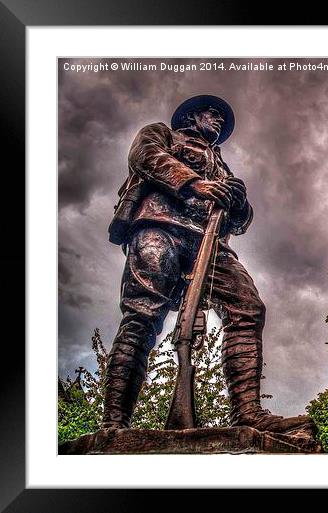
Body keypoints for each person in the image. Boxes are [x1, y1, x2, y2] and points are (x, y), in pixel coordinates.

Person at [102, 94, 311, 433]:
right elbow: (145, 156)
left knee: (247, 307)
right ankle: (114, 421)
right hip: (160, 225)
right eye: (211, 114)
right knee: (142, 314)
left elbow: (239, 221)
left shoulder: (222, 166)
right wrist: (196, 183)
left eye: (221, 118)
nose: (218, 120)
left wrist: (239, 203)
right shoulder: (163, 134)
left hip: (209, 241)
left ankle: (247, 413)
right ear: (191, 116)